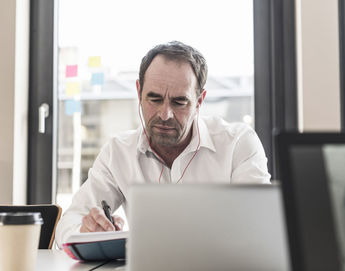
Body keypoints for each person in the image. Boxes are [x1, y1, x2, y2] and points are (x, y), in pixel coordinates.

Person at [55, 41, 270, 246]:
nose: (165, 114)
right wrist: (86, 232)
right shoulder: (118, 152)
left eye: (179, 102)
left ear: (199, 101)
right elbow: (69, 222)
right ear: (139, 93)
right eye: (154, 99)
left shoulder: (238, 145)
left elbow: (261, 227)